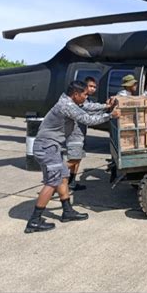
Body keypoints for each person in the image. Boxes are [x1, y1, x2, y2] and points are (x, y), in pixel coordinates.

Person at [25, 80, 120, 233]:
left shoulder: (70, 102)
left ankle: (67, 211)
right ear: (75, 94)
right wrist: (110, 115)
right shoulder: (67, 106)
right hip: (47, 147)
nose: (86, 97)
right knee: (52, 182)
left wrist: (105, 106)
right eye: (84, 95)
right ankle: (34, 221)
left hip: (51, 146)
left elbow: (87, 107)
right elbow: (87, 119)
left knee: (62, 176)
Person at [66, 76, 115, 191]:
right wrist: (107, 107)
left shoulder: (86, 100)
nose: (93, 89)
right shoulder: (80, 102)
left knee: (77, 159)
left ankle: (71, 182)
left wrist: (106, 108)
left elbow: (93, 111)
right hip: (75, 135)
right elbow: (89, 110)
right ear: (84, 87)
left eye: (95, 87)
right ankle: (54, 181)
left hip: (81, 134)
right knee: (72, 160)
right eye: (91, 86)